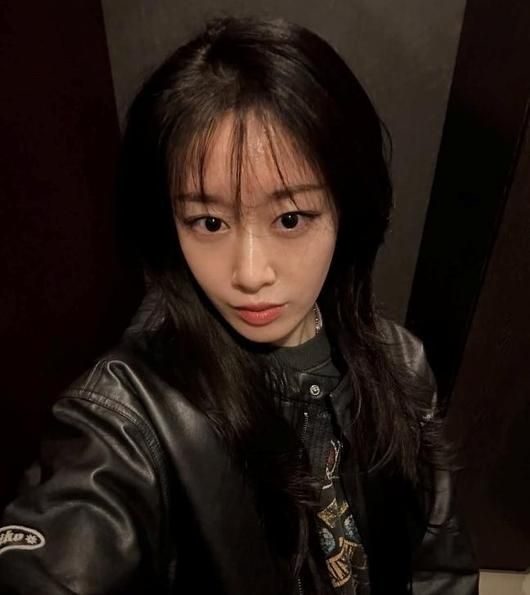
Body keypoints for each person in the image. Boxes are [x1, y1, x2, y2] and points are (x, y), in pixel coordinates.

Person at [0, 16, 478, 595]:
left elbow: (438, 567)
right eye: (209, 222)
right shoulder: (128, 417)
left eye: (290, 218)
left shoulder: (400, 362)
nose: (250, 274)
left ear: (347, 210)